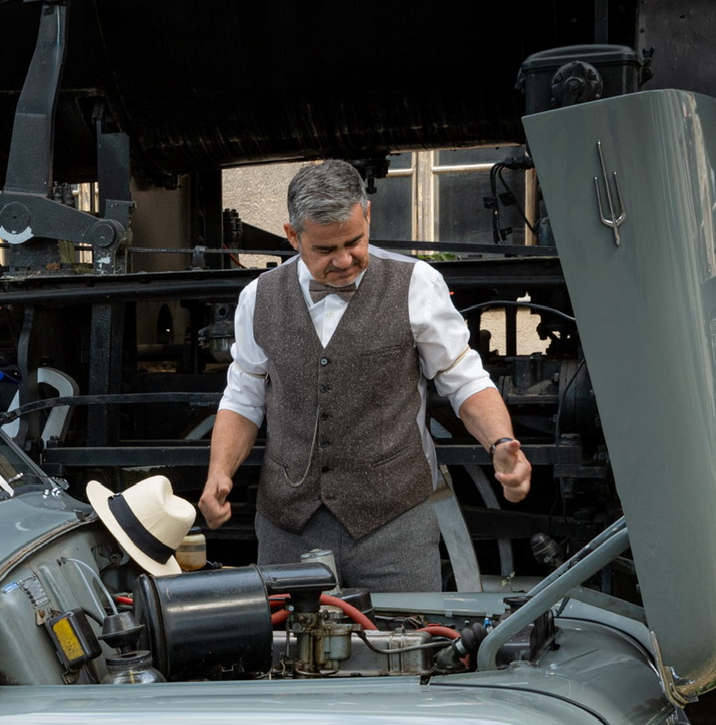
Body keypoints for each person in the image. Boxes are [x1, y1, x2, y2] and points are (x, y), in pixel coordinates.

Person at [197, 159, 530, 591]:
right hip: (288, 529)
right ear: (293, 236)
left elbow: (463, 379)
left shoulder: (416, 284)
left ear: (368, 215)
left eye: (354, 241)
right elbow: (243, 397)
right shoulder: (257, 297)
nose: (344, 259)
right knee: (287, 657)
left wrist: (501, 443)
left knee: (411, 649)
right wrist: (219, 472)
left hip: (394, 529)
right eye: (324, 250)